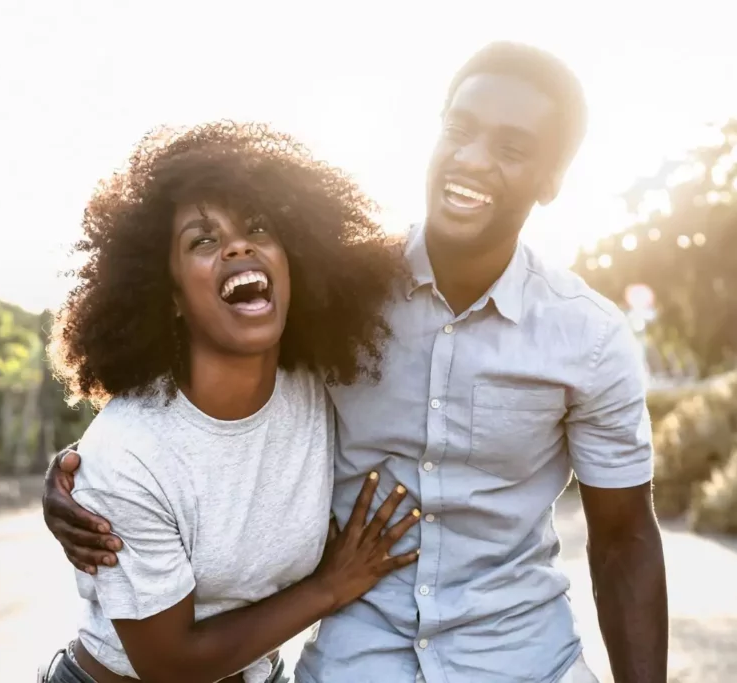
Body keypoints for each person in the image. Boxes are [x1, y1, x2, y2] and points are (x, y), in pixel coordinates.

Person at [44, 42, 669, 683]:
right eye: (460, 131)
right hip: (355, 664)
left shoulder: (589, 338)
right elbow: (203, 385)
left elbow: (625, 539)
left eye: (511, 148)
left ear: (552, 179)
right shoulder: (338, 295)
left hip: (525, 662)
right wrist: (86, 475)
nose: (473, 159)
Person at [37, 121, 423, 683]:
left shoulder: (323, 387)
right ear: (170, 294)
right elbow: (169, 665)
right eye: (203, 240)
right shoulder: (126, 454)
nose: (239, 246)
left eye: (258, 228)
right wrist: (330, 587)